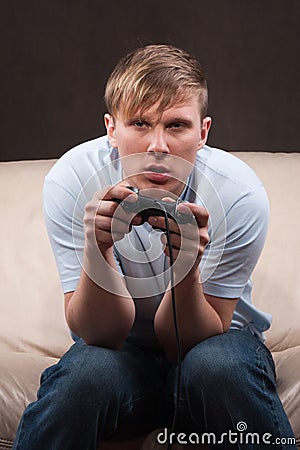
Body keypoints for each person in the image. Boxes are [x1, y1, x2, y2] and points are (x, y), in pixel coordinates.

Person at [13, 44, 296, 450]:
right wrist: (99, 250)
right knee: (84, 376)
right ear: (112, 129)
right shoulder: (73, 181)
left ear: (203, 133)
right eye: (140, 123)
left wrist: (187, 268)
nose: (157, 146)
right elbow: (100, 335)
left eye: (177, 125)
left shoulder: (238, 194)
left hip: (215, 345)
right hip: (119, 354)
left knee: (218, 366)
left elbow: (190, 341)